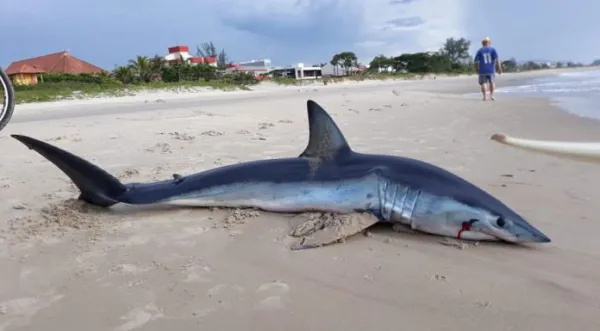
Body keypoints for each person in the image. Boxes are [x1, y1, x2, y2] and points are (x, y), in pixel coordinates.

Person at [474, 36, 502, 101]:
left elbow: (475, 61)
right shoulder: (493, 50)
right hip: (491, 69)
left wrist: (476, 69)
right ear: (489, 42)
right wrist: (499, 68)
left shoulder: (480, 50)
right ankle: (491, 95)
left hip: (482, 70)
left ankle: (484, 97)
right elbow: (497, 59)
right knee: (492, 82)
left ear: (483, 43)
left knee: (483, 83)